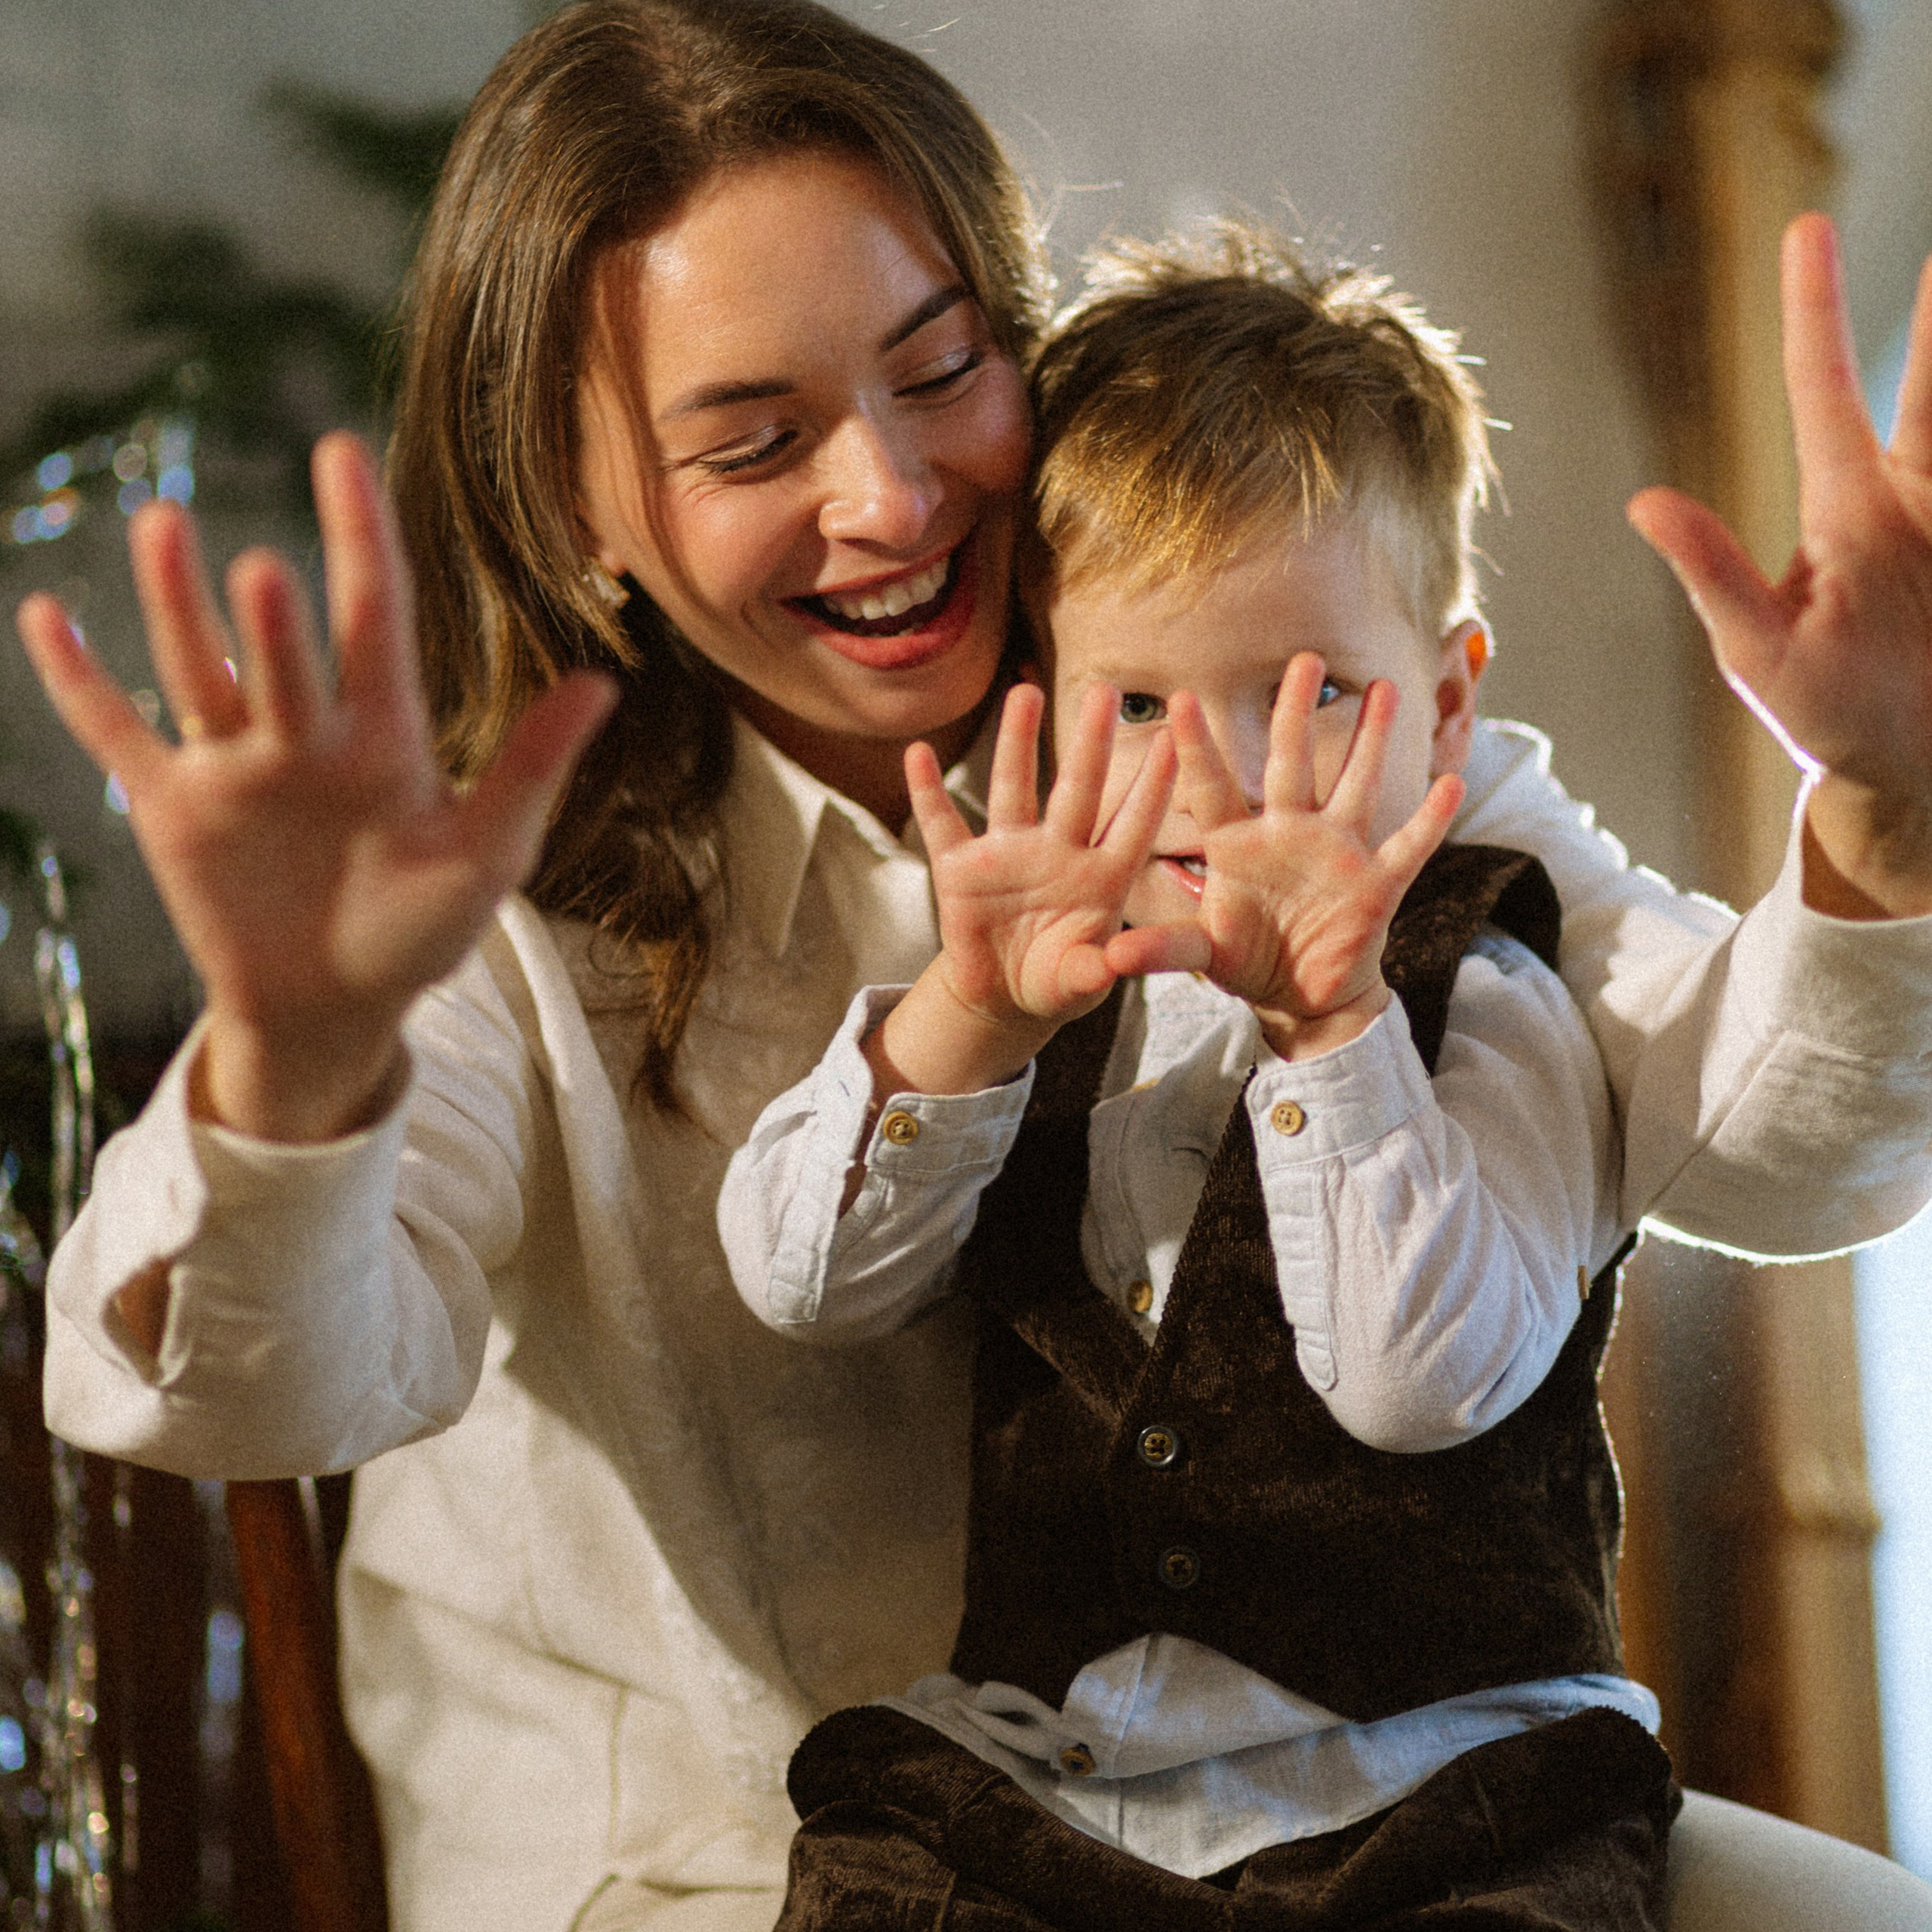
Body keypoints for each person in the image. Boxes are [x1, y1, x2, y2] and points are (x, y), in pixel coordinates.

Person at [13, 2, 1932, 1928]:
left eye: (940, 371)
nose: (892, 497)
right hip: (711, 1847)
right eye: (754, 439)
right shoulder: (501, 886)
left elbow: (1765, 1150)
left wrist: (1882, 812)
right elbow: (261, 1387)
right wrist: (295, 1061)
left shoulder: (1287, 723)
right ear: (576, 502)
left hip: (1334, 1792)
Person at [717, 228, 1669, 1927]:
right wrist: (961, 1018)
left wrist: (1334, 1033)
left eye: (1304, 695)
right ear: (1038, 697)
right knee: (866, 1852)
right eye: (1138, 699)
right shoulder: (1027, 983)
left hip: (1447, 1784)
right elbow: (800, 1278)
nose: (1214, 778)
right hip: (1058, 1773)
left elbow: (1414, 1381)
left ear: (1443, 712)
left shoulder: (1495, 992)